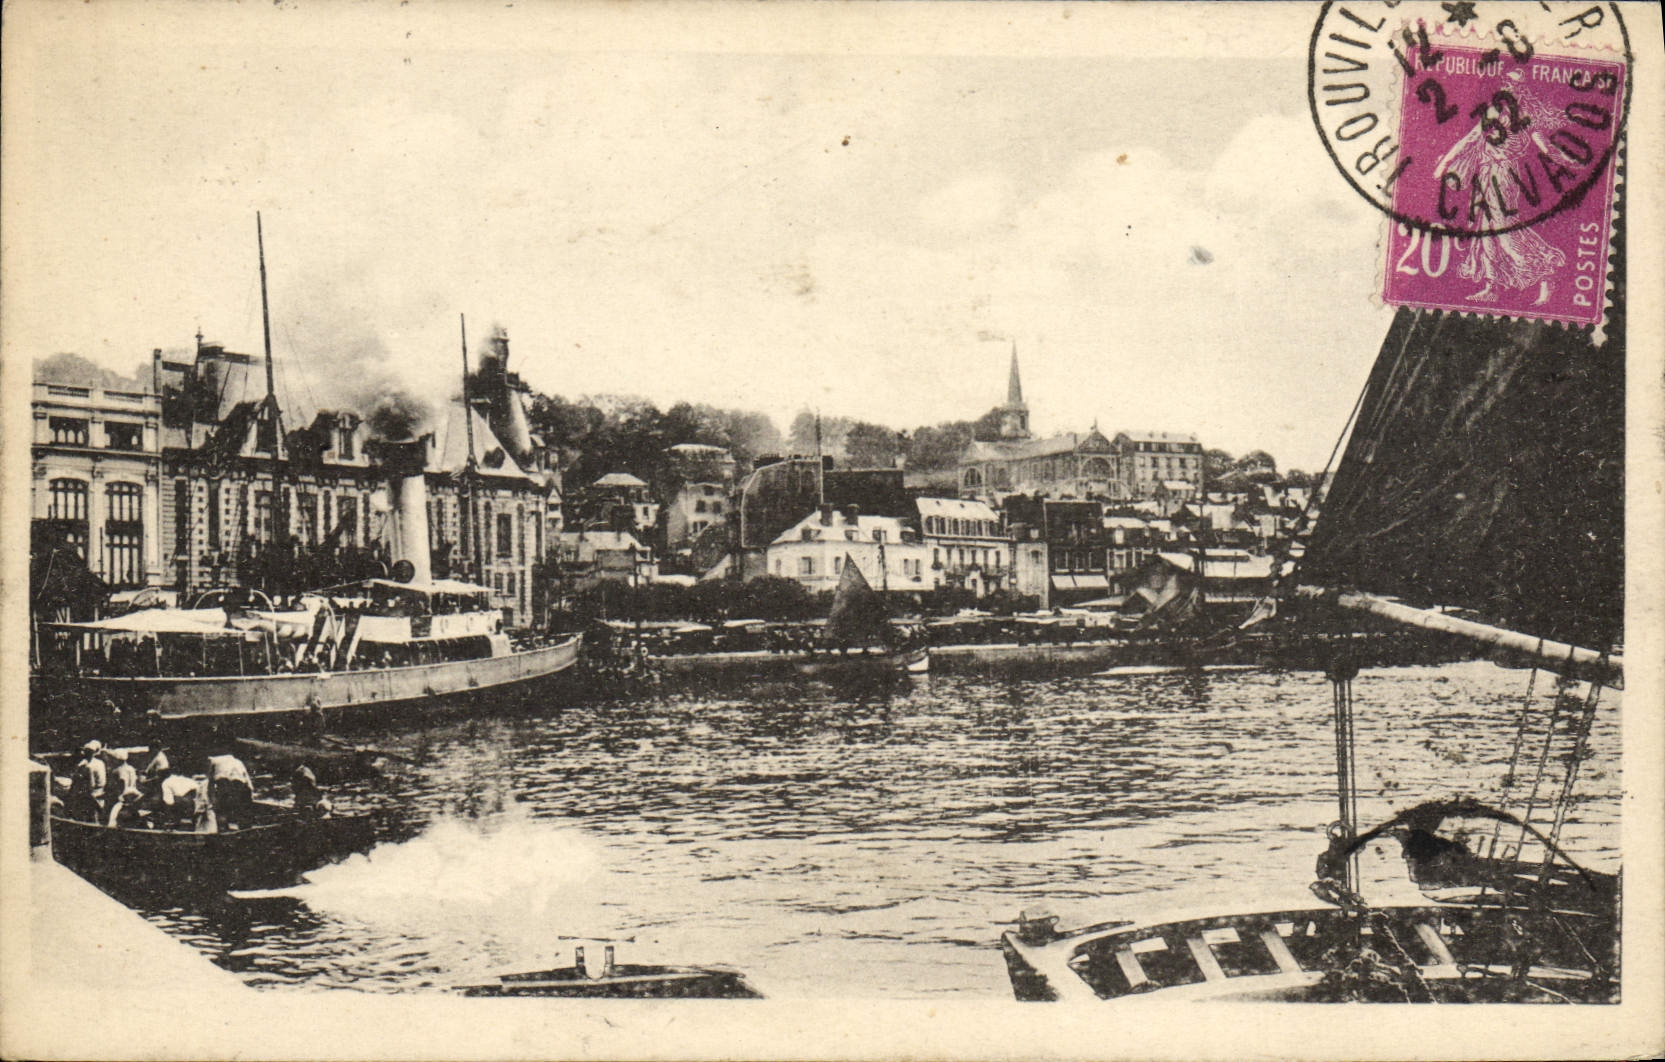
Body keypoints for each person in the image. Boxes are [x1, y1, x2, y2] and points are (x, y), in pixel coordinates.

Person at [143, 753, 202, 831]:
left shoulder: (166, 783)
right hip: (195, 813)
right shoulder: (192, 781)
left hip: (180, 811)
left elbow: (169, 802)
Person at [205, 745, 256, 831]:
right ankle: (243, 830)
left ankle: (224, 830)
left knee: (222, 811)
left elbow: (210, 784)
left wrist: (212, 801)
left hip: (232, 787)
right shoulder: (238, 762)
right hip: (241, 787)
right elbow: (249, 783)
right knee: (242, 813)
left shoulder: (214, 761)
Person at [66, 741, 106, 823]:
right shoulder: (100, 762)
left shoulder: (88, 766)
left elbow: (91, 785)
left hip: (92, 793)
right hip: (100, 791)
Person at [105, 749, 139, 821]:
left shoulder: (118, 770)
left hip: (122, 798)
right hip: (132, 796)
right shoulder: (131, 768)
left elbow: (122, 783)